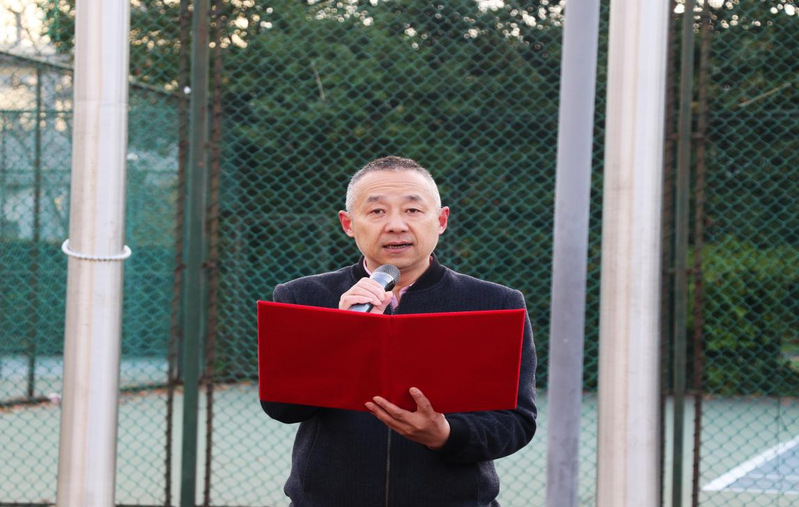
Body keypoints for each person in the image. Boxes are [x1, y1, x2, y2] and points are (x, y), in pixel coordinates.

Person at [262, 156, 537, 506]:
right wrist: (339, 332)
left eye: (413, 210)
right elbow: (282, 408)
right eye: (377, 211)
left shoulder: (495, 303)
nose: (395, 225)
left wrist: (445, 434)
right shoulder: (301, 297)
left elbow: (516, 421)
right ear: (348, 223)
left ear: (441, 220)